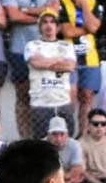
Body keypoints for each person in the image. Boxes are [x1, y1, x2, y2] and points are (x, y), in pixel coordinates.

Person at [3, 0, 61, 139]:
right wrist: (41, 14)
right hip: (20, 49)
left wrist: (25, 10)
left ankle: (45, 138)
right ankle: (25, 139)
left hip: (47, 49)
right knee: (23, 96)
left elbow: (54, 12)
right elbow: (12, 15)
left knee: (46, 94)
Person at [59, 0, 103, 132]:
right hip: (68, 58)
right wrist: (88, 29)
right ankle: (68, 133)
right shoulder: (61, 3)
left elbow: (94, 27)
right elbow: (67, 31)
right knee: (70, 97)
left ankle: (83, 135)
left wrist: (84, 4)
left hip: (90, 58)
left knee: (87, 97)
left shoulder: (94, 4)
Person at [24, 9, 76, 138]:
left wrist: (45, 62)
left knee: (65, 141)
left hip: (62, 102)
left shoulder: (67, 46)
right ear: (40, 27)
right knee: (42, 144)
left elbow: (69, 66)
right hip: (41, 104)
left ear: (57, 27)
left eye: (52, 22)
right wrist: (59, 60)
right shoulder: (32, 45)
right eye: (45, 22)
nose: (49, 25)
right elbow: (36, 63)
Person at [45, 116, 84, 183]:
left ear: (67, 135)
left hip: (69, 182)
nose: (58, 139)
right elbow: (43, 174)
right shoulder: (41, 146)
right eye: (54, 134)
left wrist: (65, 180)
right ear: (48, 135)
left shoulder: (75, 145)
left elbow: (77, 171)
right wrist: (67, 177)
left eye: (62, 134)